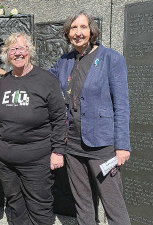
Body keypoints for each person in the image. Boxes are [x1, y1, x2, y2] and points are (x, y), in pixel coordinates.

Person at [49, 11, 131, 225]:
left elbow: (122, 105)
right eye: (73, 28)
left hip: (101, 145)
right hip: (73, 144)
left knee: (113, 205)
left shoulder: (111, 58)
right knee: (83, 204)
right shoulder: (65, 61)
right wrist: (9, 74)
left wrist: (122, 145)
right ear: (67, 34)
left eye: (83, 27)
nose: (78, 33)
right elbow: (40, 79)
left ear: (91, 30)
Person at [0, 33, 67, 225]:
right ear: (7, 55)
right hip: (6, 161)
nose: (17, 53)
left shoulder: (46, 80)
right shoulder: (4, 82)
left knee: (39, 206)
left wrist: (58, 151)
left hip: (37, 160)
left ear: (29, 51)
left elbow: (60, 117)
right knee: (15, 205)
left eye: (22, 48)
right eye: (12, 50)